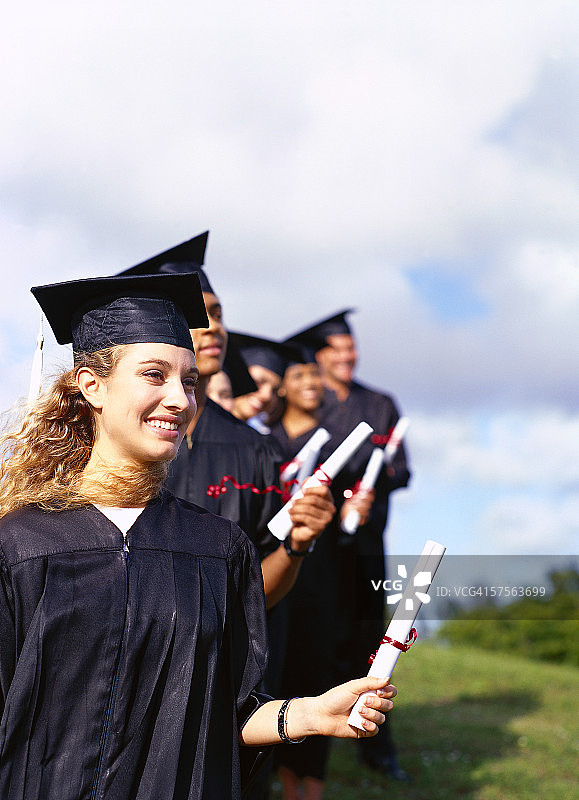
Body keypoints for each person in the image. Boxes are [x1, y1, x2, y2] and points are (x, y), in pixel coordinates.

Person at [0, 271, 397, 800]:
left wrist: (308, 713)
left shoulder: (217, 547)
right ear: (91, 385)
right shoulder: (23, 545)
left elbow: (228, 711)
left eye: (188, 381)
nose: (178, 399)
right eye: (154, 375)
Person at [117, 234, 336, 609]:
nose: (214, 327)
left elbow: (258, 584)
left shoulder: (254, 450)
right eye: (196, 316)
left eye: (217, 314)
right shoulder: (107, 438)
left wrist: (297, 545)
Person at [285, 310, 412, 781]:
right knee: (318, 639)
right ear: (317, 360)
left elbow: (402, 468)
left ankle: (379, 747)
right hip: (320, 548)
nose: (346, 356)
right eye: (334, 350)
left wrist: (375, 487)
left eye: (350, 348)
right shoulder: (313, 405)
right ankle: (308, 742)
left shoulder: (381, 404)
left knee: (370, 641)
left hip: (365, 545)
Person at [270, 352, 375, 800]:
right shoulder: (261, 442)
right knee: (274, 668)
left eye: (315, 374)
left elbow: (350, 514)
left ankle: (309, 784)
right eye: (300, 374)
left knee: (315, 670)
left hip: (320, 572)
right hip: (271, 570)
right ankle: (275, 776)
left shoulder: (339, 446)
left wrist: (355, 511)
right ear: (281, 387)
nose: (312, 381)